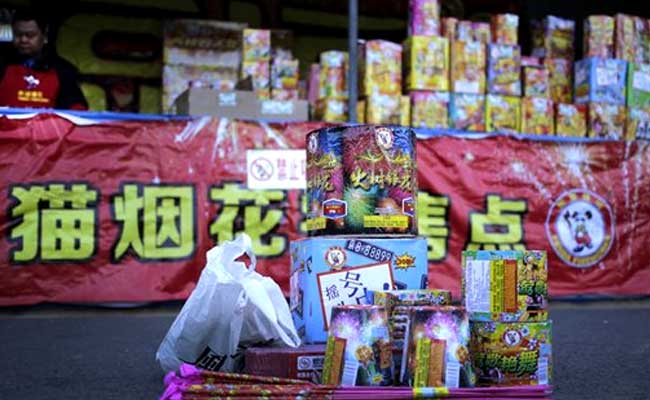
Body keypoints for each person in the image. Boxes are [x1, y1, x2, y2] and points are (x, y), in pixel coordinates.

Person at [0, 10, 88, 110]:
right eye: (18, 35)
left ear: (45, 36)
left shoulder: (63, 70)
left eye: (30, 35)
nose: (23, 40)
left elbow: (77, 109)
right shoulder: (3, 65)